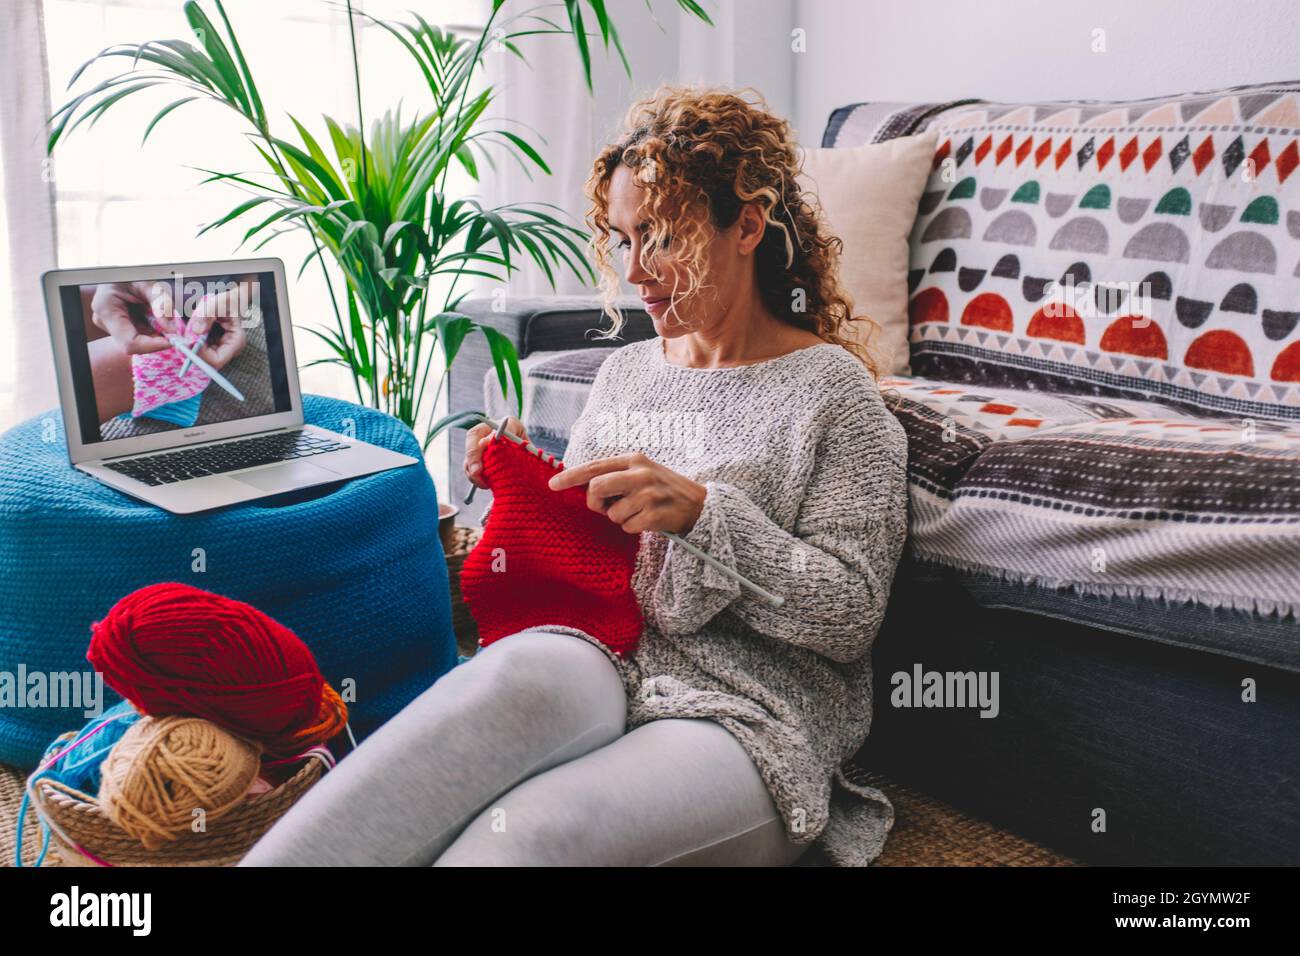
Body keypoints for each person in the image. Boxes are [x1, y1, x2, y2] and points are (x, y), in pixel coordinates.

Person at [239, 84, 909, 868]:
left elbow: (850, 613)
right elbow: (577, 559)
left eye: (660, 236)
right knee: (471, 711)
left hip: (746, 711)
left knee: (524, 835)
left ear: (748, 227)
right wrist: (522, 489)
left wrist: (703, 517)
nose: (635, 271)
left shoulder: (835, 393)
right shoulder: (624, 375)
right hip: (601, 657)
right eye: (623, 240)